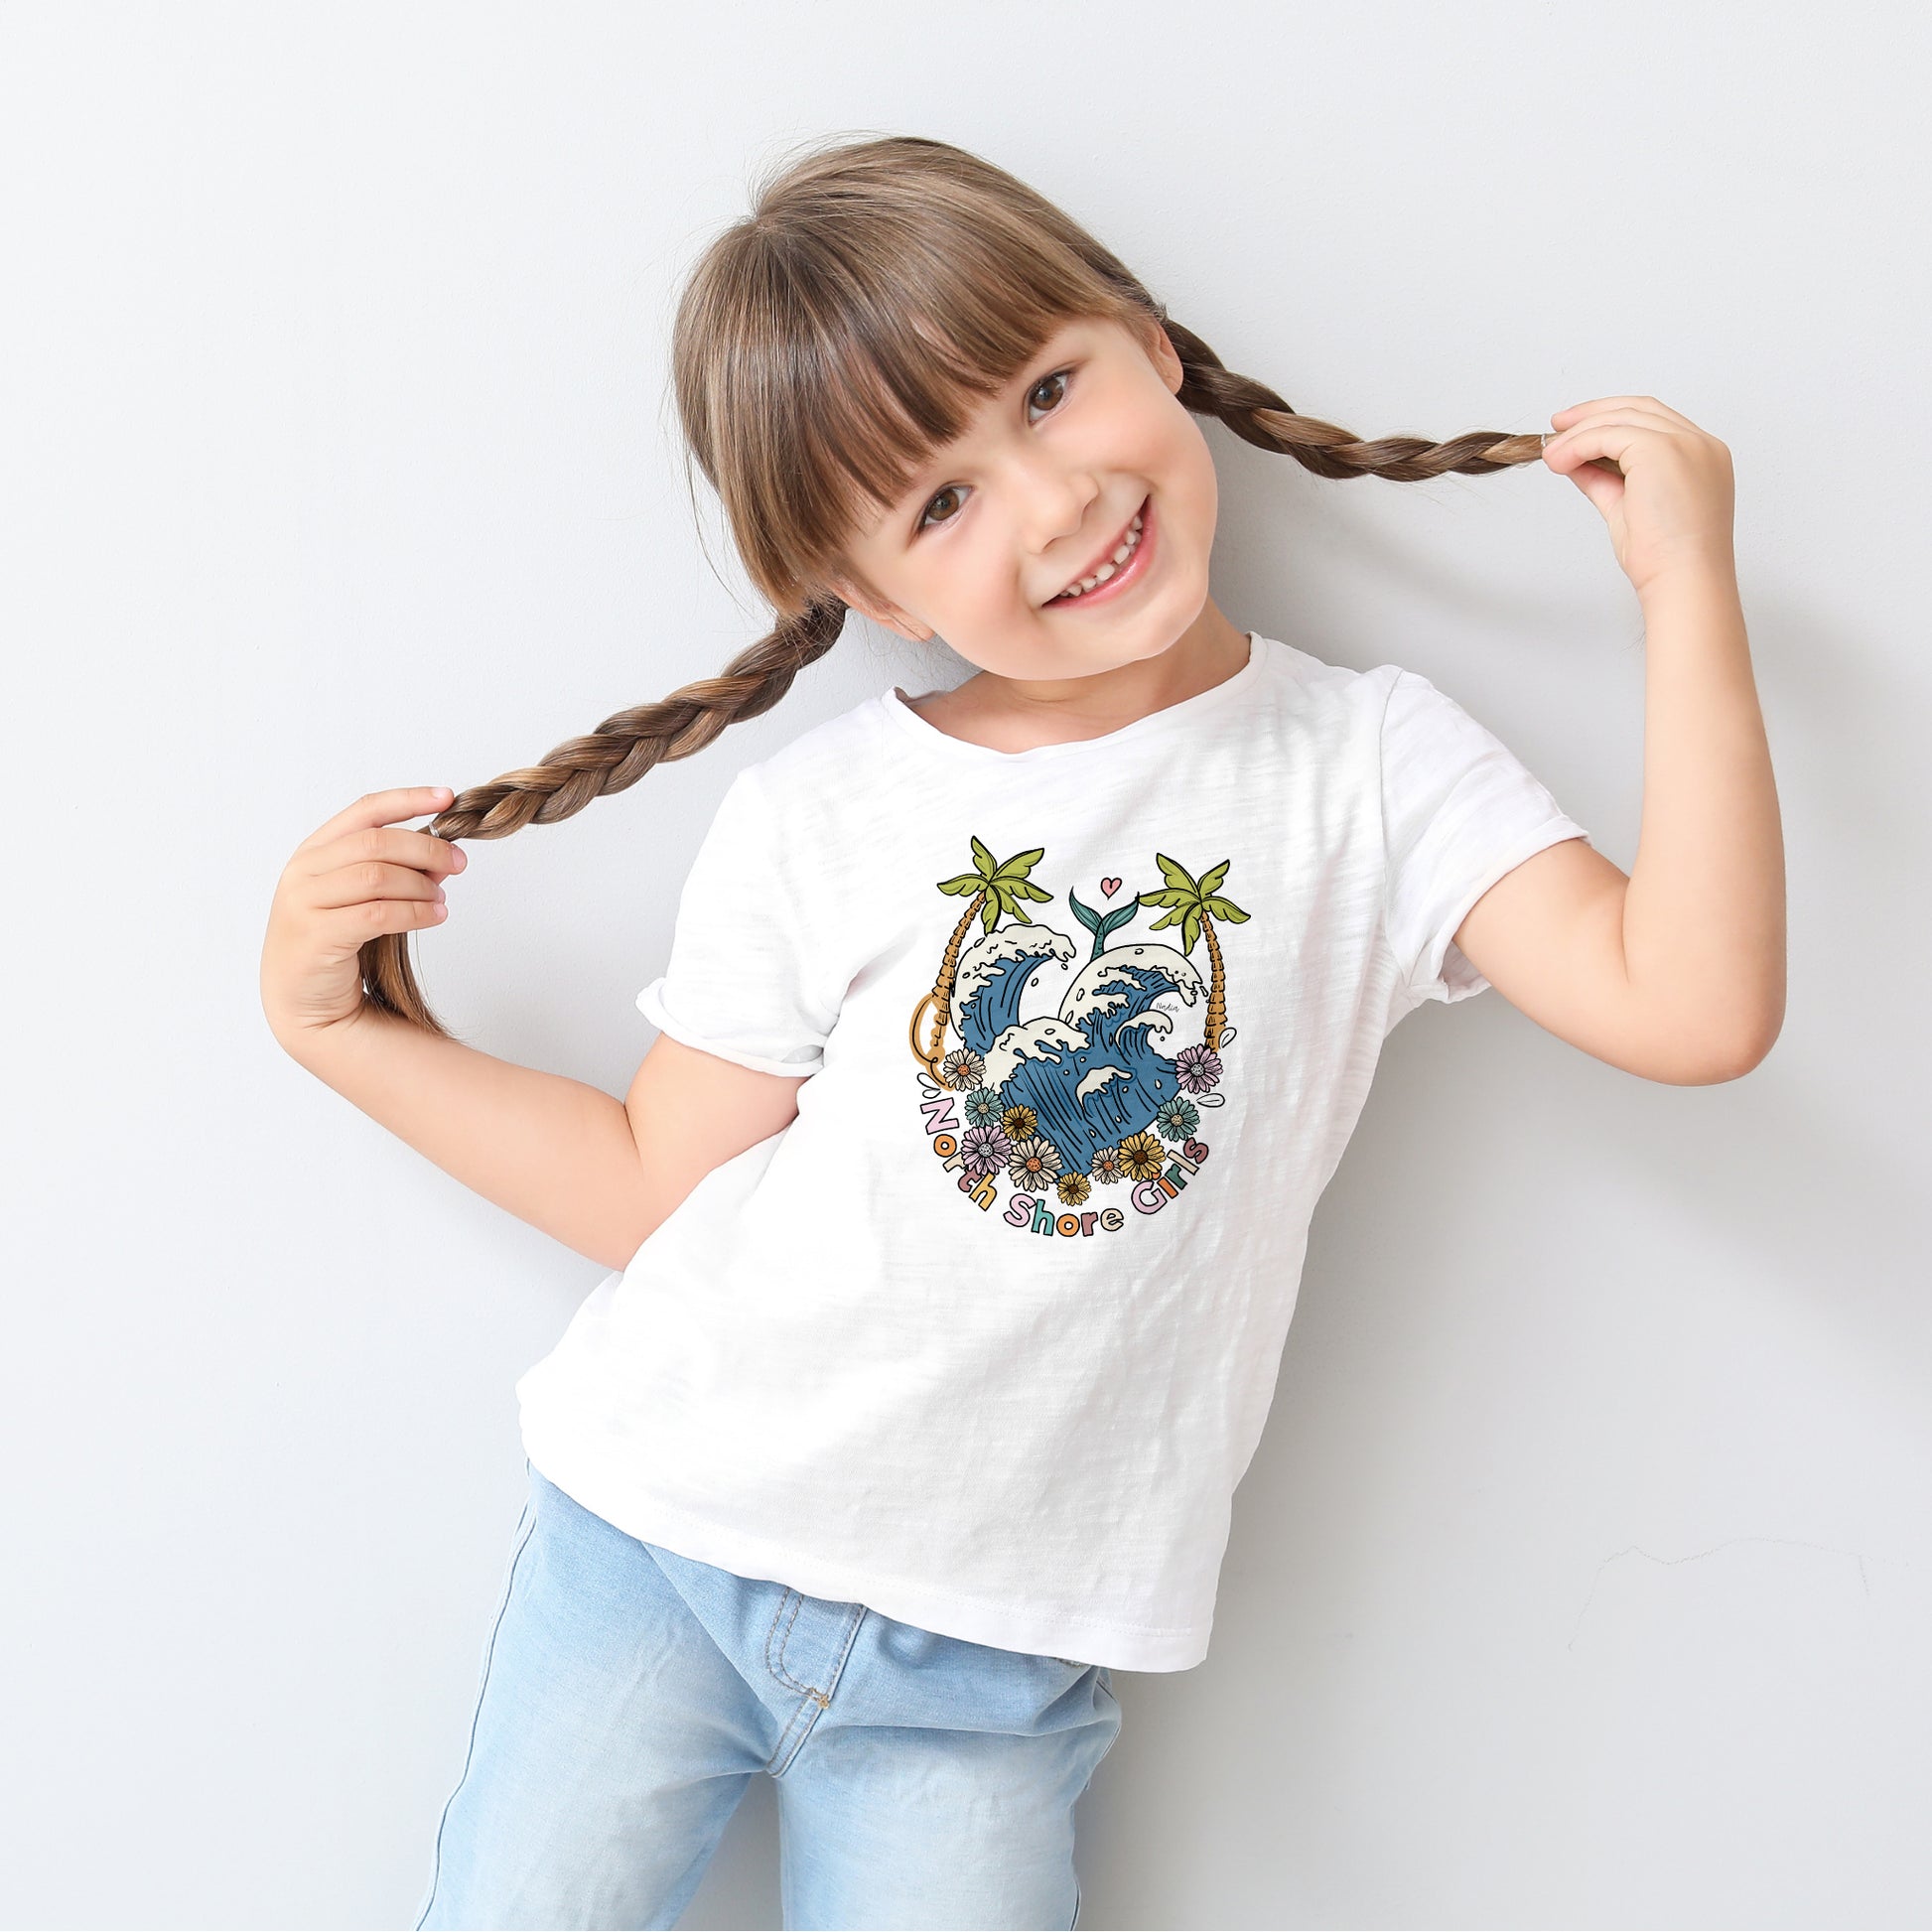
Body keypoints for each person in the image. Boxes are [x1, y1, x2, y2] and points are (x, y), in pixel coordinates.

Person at [259, 132, 1785, 1931]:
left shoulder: (1371, 769)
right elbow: (654, 1184)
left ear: (1147, 336)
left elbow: (1690, 1004)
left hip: (989, 1672)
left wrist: (1685, 587)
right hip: (657, 1547)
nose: (1052, 503)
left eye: (1049, 390)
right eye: (939, 503)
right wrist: (339, 1032)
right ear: (876, 598)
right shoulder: (820, 813)